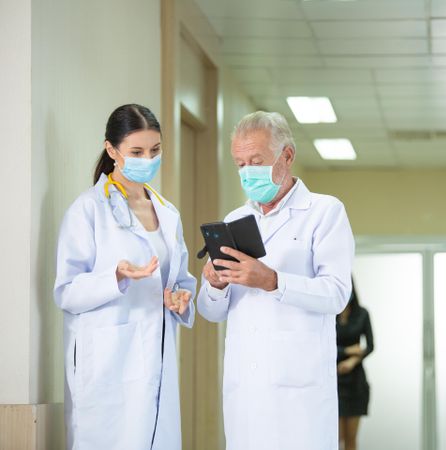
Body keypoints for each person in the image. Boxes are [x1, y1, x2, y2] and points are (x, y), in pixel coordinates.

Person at [197, 111, 354, 450]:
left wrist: (273, 281)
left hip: (299, 398)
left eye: (256, 160)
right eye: (240, 164)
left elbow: (336, 294)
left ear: (287, 155)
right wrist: (215, 284)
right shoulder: (235, 219)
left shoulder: (325, 212)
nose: (247, 172)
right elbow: (211, 312)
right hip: (245, 394)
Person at [53, 104, 196, 450]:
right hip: (109, 364)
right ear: (112, 150)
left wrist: (179, 297)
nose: (148, 159)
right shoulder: (88, 209)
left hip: (157, 358)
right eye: (137, 152)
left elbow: (181, 279)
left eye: (155, 150)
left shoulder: (167, 213)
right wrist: (114, 276)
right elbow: (66, 292)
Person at [336, 283, 374, 450]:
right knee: (336, 437)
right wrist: (348, 350)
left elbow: (370, 346)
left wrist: (352, 361)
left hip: (355, 382)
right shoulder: (330, 313)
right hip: (334, 380)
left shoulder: (362, 314)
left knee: (351, 438)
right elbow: (323, 346)